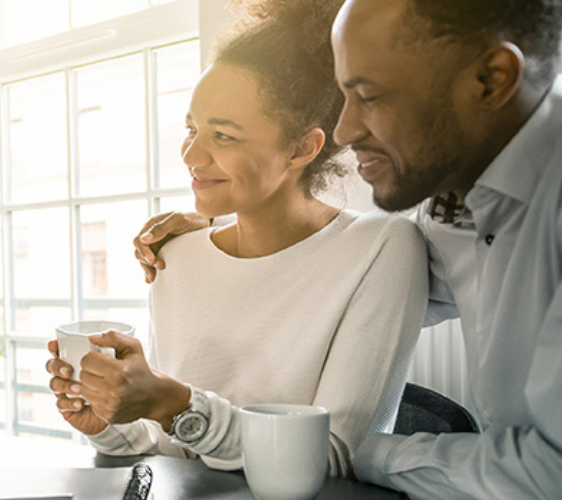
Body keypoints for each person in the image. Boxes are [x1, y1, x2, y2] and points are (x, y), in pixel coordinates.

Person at [138, 0, 562, 496]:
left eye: (371, 96)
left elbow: (549, 473)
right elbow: (340, 272)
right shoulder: (452, 216)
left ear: (491, 79)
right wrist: (226, 231)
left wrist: (353, 452)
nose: (345, 130)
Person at [44, 0, 428, 478]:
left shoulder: (381, 248)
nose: (191, 154)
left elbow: (333, 459)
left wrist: (173, 402)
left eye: (222, 136)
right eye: (191, 128)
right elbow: (169, 444)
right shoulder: (176, 255)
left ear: (301, 147)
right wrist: (105, 418)